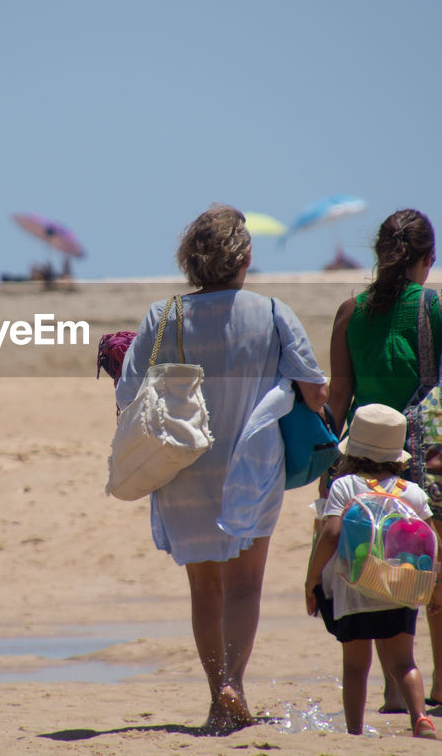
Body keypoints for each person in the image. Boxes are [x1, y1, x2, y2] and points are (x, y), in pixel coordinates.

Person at [114, 204, 328, 733]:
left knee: (204, 588)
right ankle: (233, 681)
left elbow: (126, 395)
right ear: (246, 256)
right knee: (245, 584)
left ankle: (219, 696)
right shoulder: (274, 312)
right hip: (251, 466)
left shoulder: (161, 317)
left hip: (183, 467)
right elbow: (316, 391)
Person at [327, 208, 442, 712]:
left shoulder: (349, 312)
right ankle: (438, 681)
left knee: (378, 567)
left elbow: (339, 396)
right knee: (438, 568)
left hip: (365, 458)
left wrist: (329, 466)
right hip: (437, 456)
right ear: (428, 259)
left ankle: (395, 686)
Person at [305, 404, 442, 739]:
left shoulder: (345, 486)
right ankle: (421, 718)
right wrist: (435, 587)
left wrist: (311, 579)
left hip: (354, 590)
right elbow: (434, 541)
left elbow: (332, 534)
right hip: (402, 587)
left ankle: (354, 731)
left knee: (355, 666)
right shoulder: (411, 492)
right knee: (404, 662)